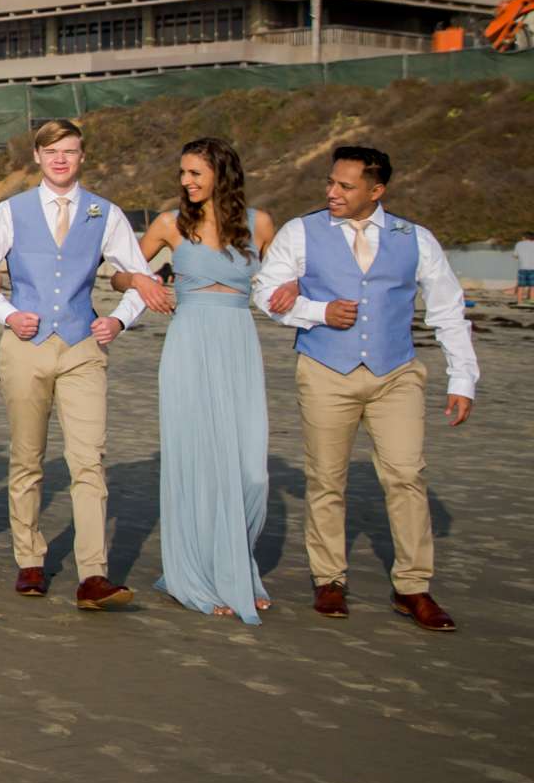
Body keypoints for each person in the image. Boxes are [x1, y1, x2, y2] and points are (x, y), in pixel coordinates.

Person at [255, 145, 477, 631]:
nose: (332, 192)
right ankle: (328, 578)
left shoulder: (415, 239)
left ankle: (413, 587)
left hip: (396, 372)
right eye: (331, 182)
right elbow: (265, 294)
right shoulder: (301, 231)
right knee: (326, 479)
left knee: (406, 476)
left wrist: (463, 378)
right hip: (324, 370)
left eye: (345, 186)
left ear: (377, 191)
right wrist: (316, 312)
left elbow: (446, 309)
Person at [0, 119, 166, 609]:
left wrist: (118, 322)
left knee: (88, 460)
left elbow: (138, 275)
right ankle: (30, 559)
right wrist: (9, 314)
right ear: (37, 156)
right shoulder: (12, 211)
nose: (60, 159)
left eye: (70, 152)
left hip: (82, 347)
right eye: (52, 151)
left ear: (81, 157)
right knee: (27, 457)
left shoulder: (105, 212)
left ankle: (93, 574)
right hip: (25, 347)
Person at [115, 138, 278, 623]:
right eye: (182, 173)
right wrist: (143, 282)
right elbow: (119, 273)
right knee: (198, 458)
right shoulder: (169, 225)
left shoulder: (261, 224)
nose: (185, 182)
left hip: (239, 342)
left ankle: (236, 565)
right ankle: (200, 576)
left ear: (221, 172)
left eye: (194, 173)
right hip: (188, 341)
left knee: (251, 470)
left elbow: (280, 281)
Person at [514, 230, 534, 306]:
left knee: (520, 286)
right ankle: (532, 301)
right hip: (533, 268)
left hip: (522, 268)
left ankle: (519, 302)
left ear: (524, 237)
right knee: (533, 286)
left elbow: (515, 256)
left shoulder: (518, 244)